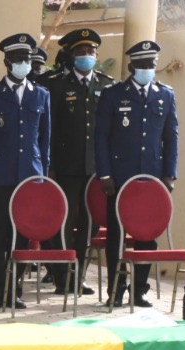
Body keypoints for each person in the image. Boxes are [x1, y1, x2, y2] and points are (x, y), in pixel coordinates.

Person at [95, 40, 178, 308]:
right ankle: (116, 290)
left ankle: (139, 290)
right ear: (131, 67)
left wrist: (169, 174)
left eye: (151, 64)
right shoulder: (113, 94)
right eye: (142, 64)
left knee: (147, 236)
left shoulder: (165, 94)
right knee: (116, 236)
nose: (147, 69)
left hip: (151, 178)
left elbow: (171, 137)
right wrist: (104, 174)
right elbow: (101, 137)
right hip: (119, 178)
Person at [0, 33, 51, 310]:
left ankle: (15, 289)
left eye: (27, 59)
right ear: (6, 62)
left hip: (29, 177)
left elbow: (44, 140)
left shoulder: (41, 94)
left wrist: (43, 177)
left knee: (22, 236)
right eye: (17, 59)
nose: (23, 64)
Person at [47, 28, 113, 297]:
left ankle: (80, 275)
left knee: (89, 225)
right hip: (65, 167)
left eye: (91, 51)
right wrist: (50, 166)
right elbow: (49, 130)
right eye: (81, 51)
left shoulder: (107, 86)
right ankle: (63, 276)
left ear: (97, 55)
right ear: (72, 55)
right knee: (63, 222)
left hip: (95, 168)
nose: (86, 55)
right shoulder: (57, 86)